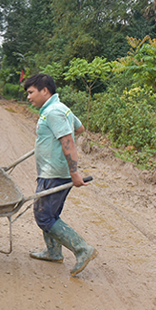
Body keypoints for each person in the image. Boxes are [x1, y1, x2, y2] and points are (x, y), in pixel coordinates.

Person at [22, 73, 96, 276]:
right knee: (50, 214)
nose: (29, 97)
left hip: (54, 173)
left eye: (31, 92)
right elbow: (78, 128)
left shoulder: (54, 112)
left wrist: (74, 172)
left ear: (44, 91)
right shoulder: (60, 108)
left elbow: (69, 141)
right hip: (52, 172)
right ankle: (53, 252)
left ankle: (82, 249)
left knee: (44, 216)